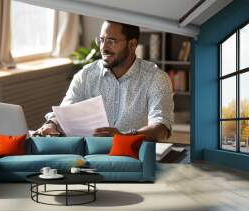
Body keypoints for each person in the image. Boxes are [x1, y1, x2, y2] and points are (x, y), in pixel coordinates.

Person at [34, 20, 174, 141]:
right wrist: (51, 124)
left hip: (135, 155)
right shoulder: (86, 75)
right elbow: (65, 112)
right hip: (90, 156)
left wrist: (124, 137)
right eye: (101, 40)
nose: (103, 48)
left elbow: (161, 128)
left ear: (132, 45)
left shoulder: (155, 78)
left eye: (111, 41)